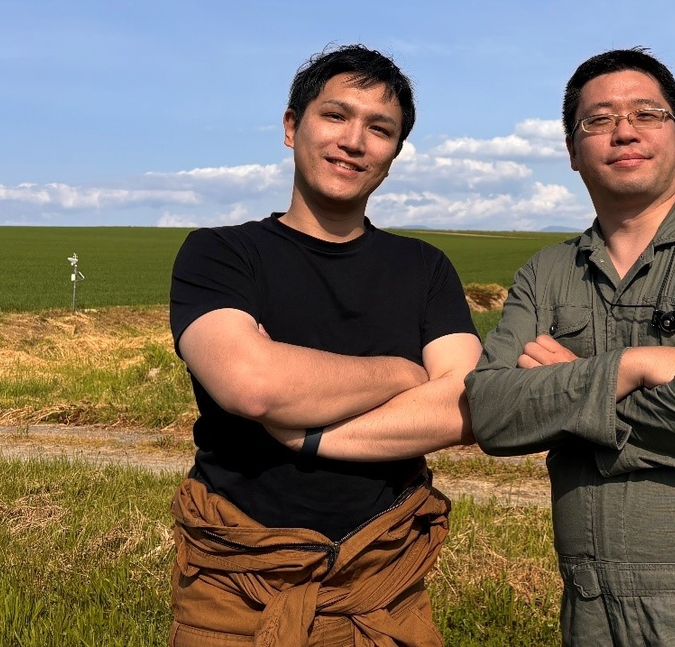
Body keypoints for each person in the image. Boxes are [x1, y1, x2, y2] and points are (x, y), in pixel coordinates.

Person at [464, 47, 675, 647]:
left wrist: (571, 399)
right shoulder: (547, 272)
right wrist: (634, 366)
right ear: (572, 151)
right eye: (598, 120)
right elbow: (492, 411)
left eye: (647, 114)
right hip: (590, 605)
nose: (624, 131)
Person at [168, 45, 482, 647]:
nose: (354, 141)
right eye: (335, 115)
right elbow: (252, 385)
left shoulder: (424, 268)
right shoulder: (220, 253)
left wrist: (305, 432)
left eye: (380, 129)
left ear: (394, 154)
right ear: (292, 127)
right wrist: (402, 375)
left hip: (384, 588)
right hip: (233, 588)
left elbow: (464, 406)